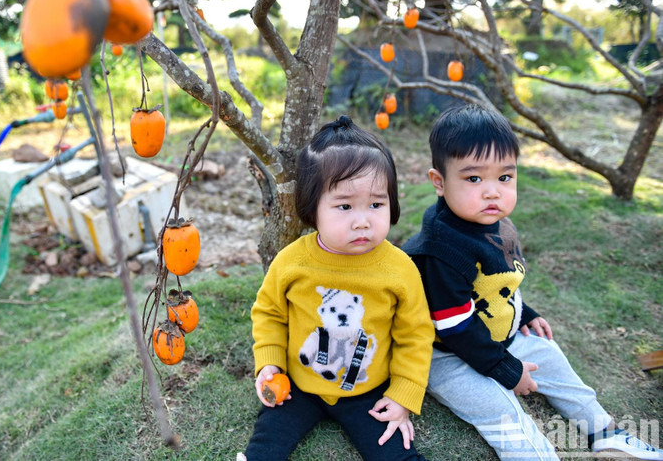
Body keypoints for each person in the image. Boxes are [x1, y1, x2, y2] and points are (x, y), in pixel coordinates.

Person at [402, 104, 662, 461]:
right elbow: (456, 328)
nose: (492, 192)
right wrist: (509, 372)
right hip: (444, 355)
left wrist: (525, 315)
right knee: (500, 407)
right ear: (439, 182)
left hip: (495, 336)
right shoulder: (440, 251)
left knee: (549, 355)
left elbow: (497, 285)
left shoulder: (497, 223)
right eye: (474, 178)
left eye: (504, 178)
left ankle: (605, 432)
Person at [238, 115, 434, 461]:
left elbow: (415, 334)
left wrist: (404, 393)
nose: (363, 220)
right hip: (298, 387)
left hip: (367, 391)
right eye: (345, 206)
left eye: (376, 204)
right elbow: (268, 313)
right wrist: (269, 363)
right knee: (266, 444)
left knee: (396, 452)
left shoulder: (399, 269)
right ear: (312, 209)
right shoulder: (292, 262)